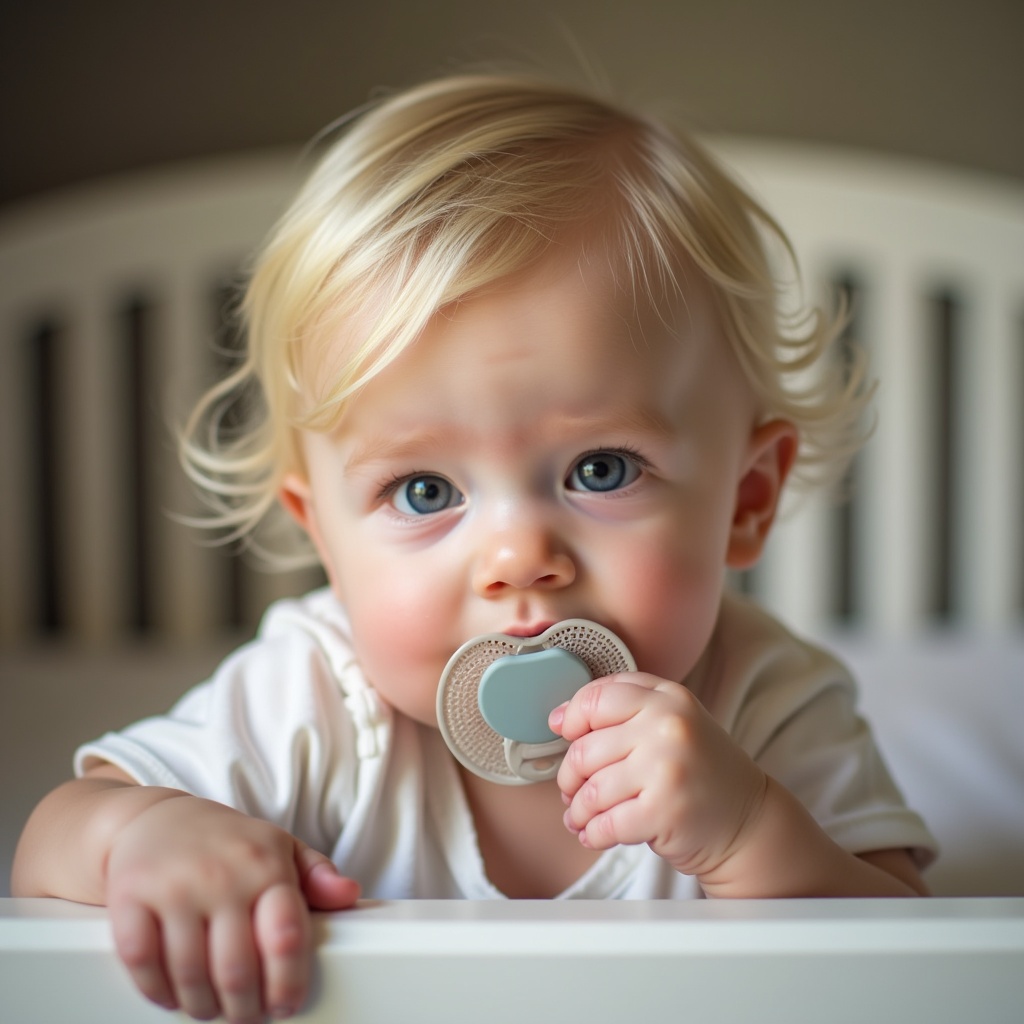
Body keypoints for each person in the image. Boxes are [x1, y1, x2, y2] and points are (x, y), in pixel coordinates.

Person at [12, 71, 936, 1022]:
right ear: (323, 533)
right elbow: (50, 843)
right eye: (425, 491)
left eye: (602, 470)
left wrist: (750, 833)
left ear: (746, 497)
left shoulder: (769, 706)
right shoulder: (317, 698)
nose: (518, 557)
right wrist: (146, 835)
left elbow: (927, 966)